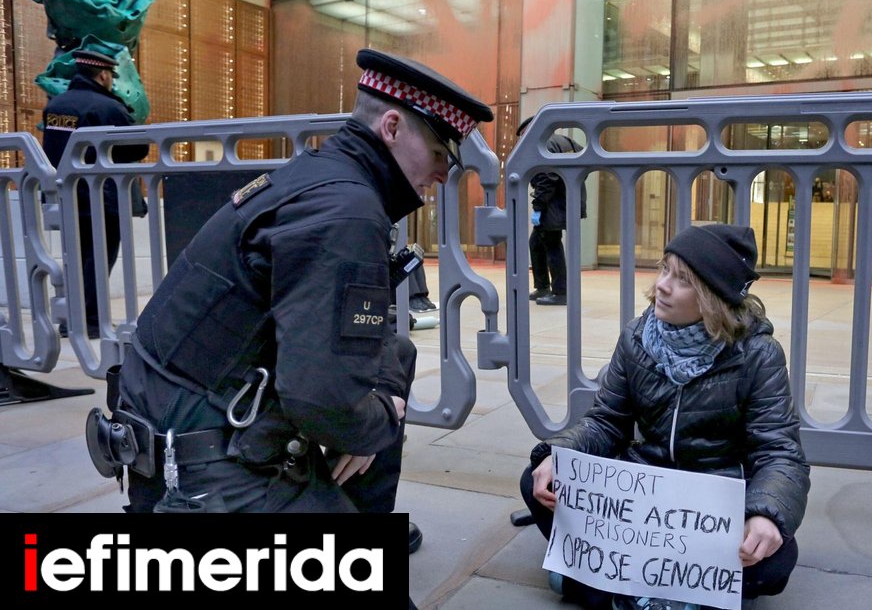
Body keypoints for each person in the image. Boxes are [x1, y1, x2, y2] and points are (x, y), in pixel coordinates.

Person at [103, 49, 493, 516]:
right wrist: (376, 422)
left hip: (183, 419)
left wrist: (371, 412)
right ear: (391, 128)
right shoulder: (345, 212)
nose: (443, 175)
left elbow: (362, 335)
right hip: (202, 464)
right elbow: (319, 400)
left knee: (394, 364)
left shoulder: (324, 181)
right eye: (438, 154)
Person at [518, 224, 810, 609]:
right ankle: (675, 591)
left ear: (714, 297)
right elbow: (606, 421)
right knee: (537, 480)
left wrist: (765, 516)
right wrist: (561, 454)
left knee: (776, 559)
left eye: (683, 279)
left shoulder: (758, 355)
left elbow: (779, 454)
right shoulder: (637, 337)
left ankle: (606, 584)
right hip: (642, 501)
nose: (662, 285)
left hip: (712, 508)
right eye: (664, 269)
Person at [42, 49, 149, 339]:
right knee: (99, 260)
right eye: (111, 76)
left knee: (75, 259)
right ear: (103, 75)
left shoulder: (56, 105)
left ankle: (71, 320)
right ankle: (90, 321)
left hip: (66, 194)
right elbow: (138, 147)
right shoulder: (107, 107)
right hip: (102, 196)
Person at [517, 116, 583, 306]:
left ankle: (561, 292)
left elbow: (547, 179)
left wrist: (538, 207)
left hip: (552, 205)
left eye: (523, 134)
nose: (522, 139)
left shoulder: (543, 144)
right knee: (536, 242)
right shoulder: (565, 141)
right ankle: (543, 286)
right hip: (568, 200)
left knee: (552, 244)